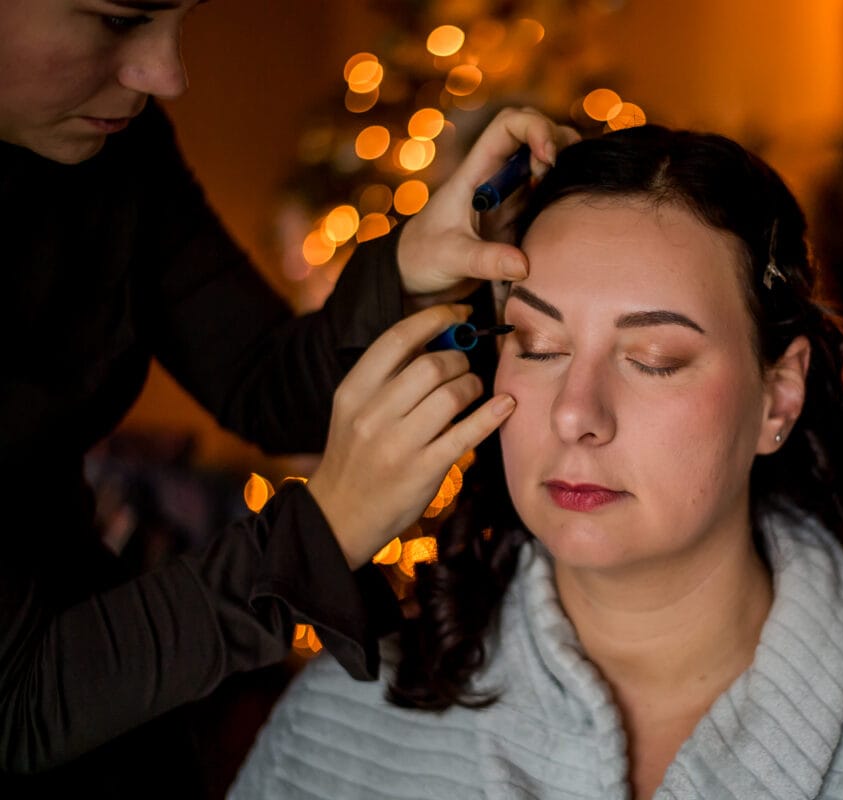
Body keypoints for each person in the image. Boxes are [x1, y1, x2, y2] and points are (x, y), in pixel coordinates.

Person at [231, 125, 843, 799]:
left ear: (778, 399)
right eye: (539, 347)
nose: (577, 413)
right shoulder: (339, 725)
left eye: (652, 358)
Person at [0, 1, 577, 795]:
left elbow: (262, 381)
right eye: (116, 17)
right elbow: (21, 708)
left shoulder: (115, 151)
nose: (167, 73)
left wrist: (410, 265)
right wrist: (325, 528)